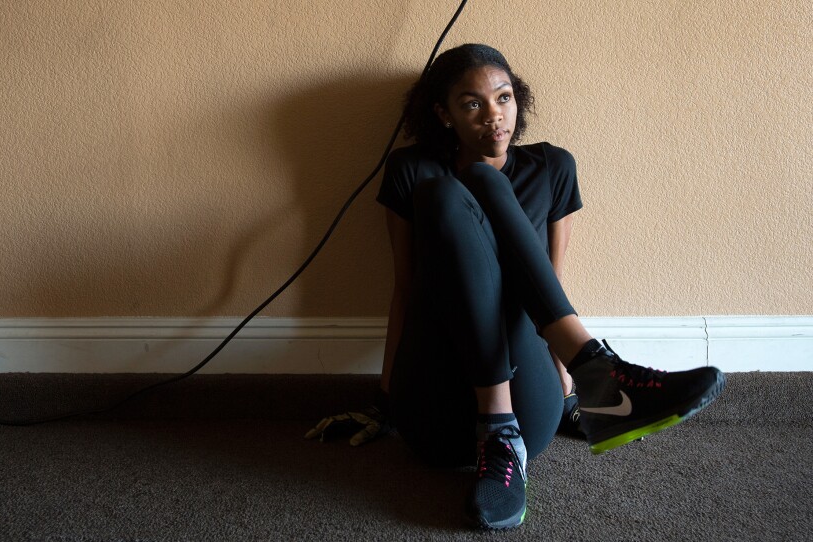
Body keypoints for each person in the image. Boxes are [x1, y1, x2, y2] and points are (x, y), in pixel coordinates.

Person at [305, 43, 725, 530]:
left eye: (503, 98)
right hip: (434, 398)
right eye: (472, 104)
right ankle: (596, 377)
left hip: (528, 396)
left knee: (486, 183)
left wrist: (565, 396)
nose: (494, 116)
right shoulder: (412, 172)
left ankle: (545, 407)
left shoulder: (551, 168)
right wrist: (384, 402)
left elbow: (550, 281)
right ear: (443, 114)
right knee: (448, 193)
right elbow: (406, 289)